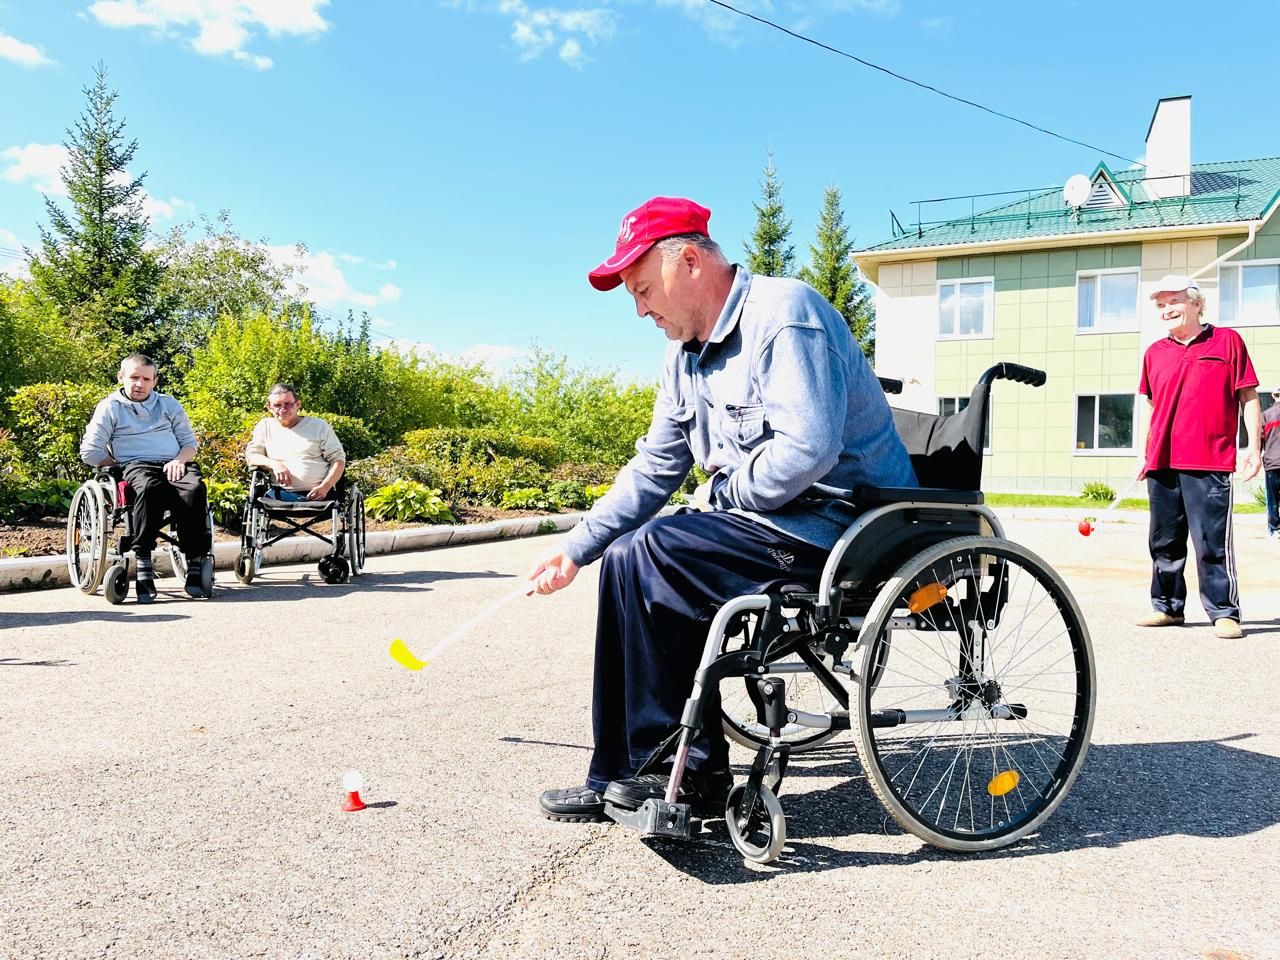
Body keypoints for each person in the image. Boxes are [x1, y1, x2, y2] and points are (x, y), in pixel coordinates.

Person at [529, 196, 917, 822]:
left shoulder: (785, 315)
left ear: (688, 262)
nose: (640, 309)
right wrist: (575, 547)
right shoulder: (683, 354)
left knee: (657, 552)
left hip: (839, 525)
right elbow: (656, 465)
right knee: (624, 560)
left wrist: (720, 495)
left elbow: (807, 448)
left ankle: (684, 775)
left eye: (643, 289)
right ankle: (620, 773)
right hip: (766, 523)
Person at [1136, 274, 1260, 639]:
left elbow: (1248, 396)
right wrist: (1144, 453)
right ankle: (1167, 607)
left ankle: (1224, 612)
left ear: (1196, 303)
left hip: (1209, 459)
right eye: (1160, 305)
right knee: (1163, 541)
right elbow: (1151, 405)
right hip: (1162, 461)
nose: (1166, 310)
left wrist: (1253, 447)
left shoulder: (1227, 341)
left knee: (1211, 540)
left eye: (1173, 301)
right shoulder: (1154, 353)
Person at [80, 354, 212, 601]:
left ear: (155, 381)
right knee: (149, 489)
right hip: (136, 464)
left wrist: (179, 460)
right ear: (121, 377)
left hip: (175, 462)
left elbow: (189, 444)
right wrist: (117, 466)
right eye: (134, 377)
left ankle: (195, 561)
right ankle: (143, 562)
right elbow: (90, 450)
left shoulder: (169, 404)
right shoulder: (110, 407)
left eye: (146, 379)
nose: (139, 384)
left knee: (194, 489)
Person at [244, 383, 346, 502]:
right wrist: (275, 465)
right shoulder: (265, 426)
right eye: (277, 405)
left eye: (288, 404)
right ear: (269, 407)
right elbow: (252, 456)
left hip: (321, 494)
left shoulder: (319, 426)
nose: (283, 409)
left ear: (297, 404)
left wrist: (325, 487)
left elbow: (338, 460)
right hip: (279, 495)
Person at [1263, 385, 1280, 540]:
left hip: (1272, 463)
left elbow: (1260, 438)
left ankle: (1274, 529)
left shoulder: (1266, 415)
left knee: (1273, 499)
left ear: (1273, 396)